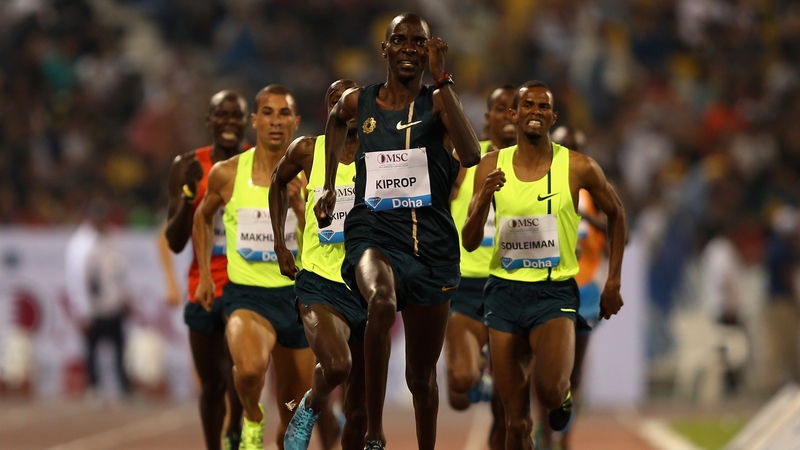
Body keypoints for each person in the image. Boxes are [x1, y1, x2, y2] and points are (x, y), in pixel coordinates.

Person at [315, 13, 481, 450]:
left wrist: (443, 78)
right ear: (385, 49)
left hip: (432, 247)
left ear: (429, 50)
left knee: (421, 378)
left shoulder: (439, 101)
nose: (410, 48)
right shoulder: (360, 102)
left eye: (419, 42)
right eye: (400, 40)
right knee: (382, 301)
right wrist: (331, 183)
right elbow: (334, 119)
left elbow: (470, 154)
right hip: (374, 232)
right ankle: (374, 431)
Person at [462, 81, 626, 449]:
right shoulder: (490, 165)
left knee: (550, 391)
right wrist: (484, 196)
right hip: (503, 293)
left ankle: (562, 396)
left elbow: (617, 214)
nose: (535, 111)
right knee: (515, 420)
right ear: (513, 114)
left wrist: (613, 280)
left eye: (543, 106)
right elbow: (469, 240)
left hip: (553, 294)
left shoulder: (578, 167)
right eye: (527, 105)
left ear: (552, 117)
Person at [193, 84, 316, 450]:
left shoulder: (314, 177)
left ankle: (277, 431)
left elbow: (328, 244)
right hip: (248, 298)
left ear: (296, 122)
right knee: (248, 372)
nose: (275, 122)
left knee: (293, 419)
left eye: (283, 114)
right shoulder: (227, 174)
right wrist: (203, 274)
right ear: (254, 121)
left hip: (299, 301)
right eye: (267, 113)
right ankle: (251, 414)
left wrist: (298, 210)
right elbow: (202, 218)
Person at [272, 79, 367, 450]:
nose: (345, 105)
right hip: (318, 281)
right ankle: (310, 405)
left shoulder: (382, 152)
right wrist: (281, 244)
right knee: (338, 365)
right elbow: (277, 183)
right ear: (330, 111)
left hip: (366, 284)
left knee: (358, 410)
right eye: (335, 101)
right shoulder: (309, 150)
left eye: (351, 98)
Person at [162, 90, 248, 450]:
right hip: (203, 284)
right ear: (209, 121)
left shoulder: (260, 163)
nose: (229, 122)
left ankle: (236, 432)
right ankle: (216, 443)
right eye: (221, 115)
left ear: (246, 123)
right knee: (211, 383)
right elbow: (175, 241)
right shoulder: (187, 165)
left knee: (241, 371)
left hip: (246, 282)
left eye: (236, 116)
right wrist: (187, 194)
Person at [445, 84, 516, 450]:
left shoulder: (537, 166)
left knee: (509, 413)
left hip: (511, 286)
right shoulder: (465, 161)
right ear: (487, 118)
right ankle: (471, 369)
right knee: (460, 387)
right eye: (500, 108)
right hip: (466, 287)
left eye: (513, 108)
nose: (508, 114)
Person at [533, 125, 608, 450]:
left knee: (573, 374)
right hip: (545, 289)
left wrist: (586, 219)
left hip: (585, 292)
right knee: (546, 371)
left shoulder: (595, 194)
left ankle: (565, 439)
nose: (569, 155)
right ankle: (545, 433)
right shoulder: (538, 186)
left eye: (575, 149)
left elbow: (622, 235)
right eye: (564, 148)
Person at [64, 196, 132, 400]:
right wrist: (83, 312)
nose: (102, 221)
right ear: (90, 217)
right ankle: (94, 387)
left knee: (119, 348)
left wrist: (124, 296)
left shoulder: (111, 237)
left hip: (113, 304)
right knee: (92, 351)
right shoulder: (81, 244)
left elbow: (118, 271)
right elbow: (78, 280)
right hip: (93, 307)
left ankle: (123, 388)